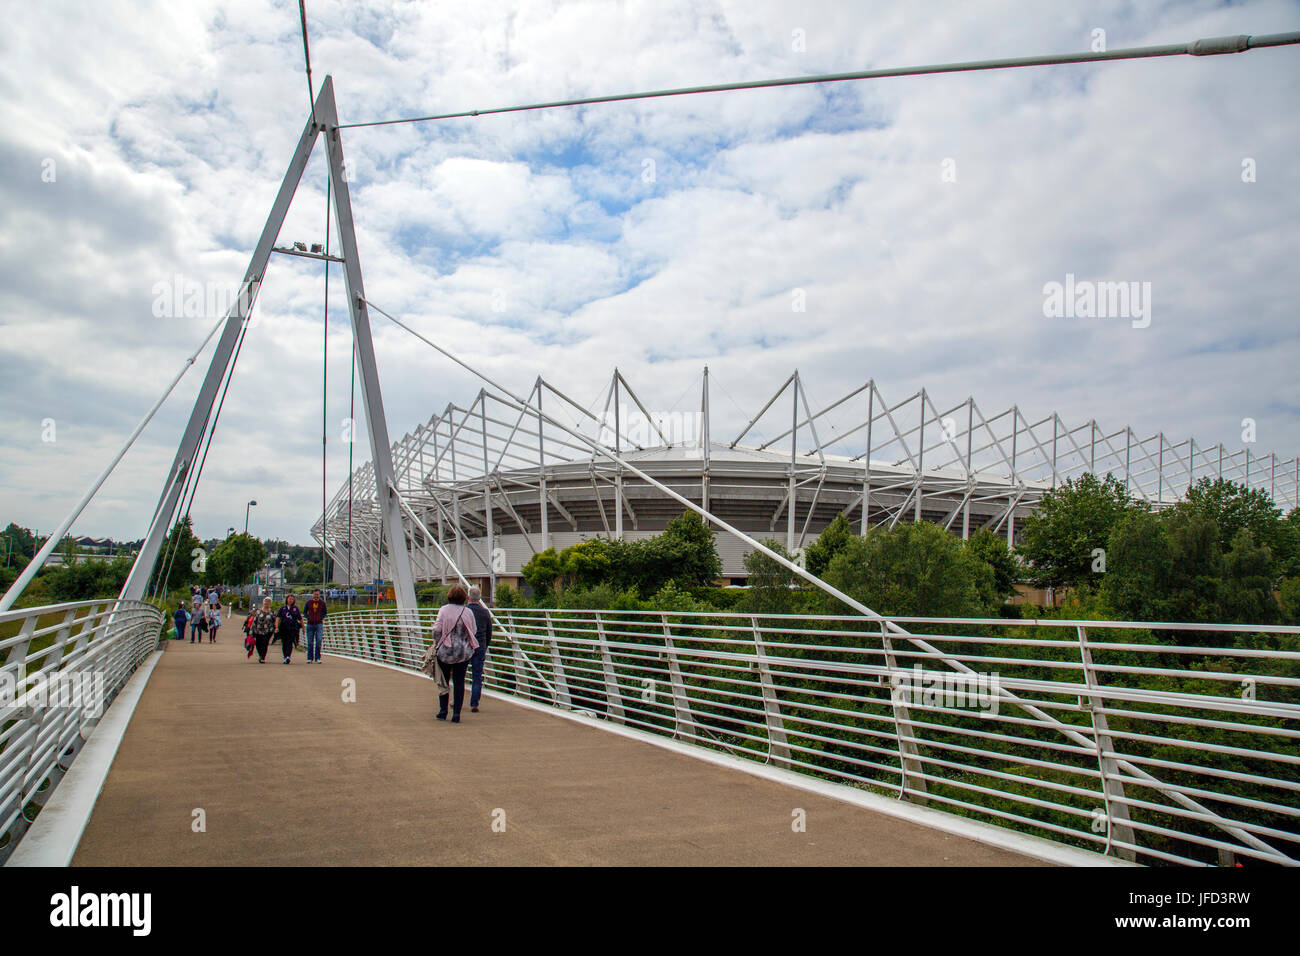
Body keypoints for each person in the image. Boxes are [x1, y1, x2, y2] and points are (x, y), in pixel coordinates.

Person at [429, 585, 478, 723]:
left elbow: (437, 630)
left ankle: (443, 710)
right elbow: (473, 631)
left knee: (443, 681)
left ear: (449, 596)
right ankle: (456, 713)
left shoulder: (443, 610)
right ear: (464, 598)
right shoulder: (468, 612)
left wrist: (438, 643)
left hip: (445, 651)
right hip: (463, 652)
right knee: (459, 682)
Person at [466, 586, 493, 713]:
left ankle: (456, 700)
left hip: (465, 647)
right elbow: (489, 632)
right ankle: (474, 703)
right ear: (480, 598)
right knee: (477, 675)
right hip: (480, 646)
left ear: (468, 597)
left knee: (459, 674)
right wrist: (484, 646)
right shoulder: (485, 612)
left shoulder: (464, 611)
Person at [275, 593, 303, 664]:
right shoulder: (282, 608)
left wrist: (303, 627)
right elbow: (278, 618)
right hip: (283, 627)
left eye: (292, 599)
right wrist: (276, 627)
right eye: (289, 599)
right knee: (284, 643)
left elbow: (300, 618)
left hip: (292, 628)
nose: (290, 600)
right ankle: (285, 656)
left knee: (290, 642)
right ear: (287, 600)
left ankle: (288, 656)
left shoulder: (295, 609)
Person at [303, 589, 327, 663]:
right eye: (315, 594)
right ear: (313, 594)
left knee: (319, 641)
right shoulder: (309, 603)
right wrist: (308, 617)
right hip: (310, 624)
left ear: (319, 595)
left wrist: (321, 617)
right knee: (310, 642)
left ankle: (317, 658)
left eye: (317, 594)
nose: (316, 596)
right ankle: (310, 658)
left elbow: (325, 612)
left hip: (319, 623)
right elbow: (304, 612)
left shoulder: (322, 603)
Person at [250, 597, 276, 663]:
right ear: (263, 602)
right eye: (265, 601)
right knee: (258, 644)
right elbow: (254, 621)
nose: (266, 603)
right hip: (258, 630)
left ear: (270, 603)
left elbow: (275, 621)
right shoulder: (258, 611)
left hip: (268, 631)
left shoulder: (272, 612)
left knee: (265, 643)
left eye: (268, 602)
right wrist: (252, 631)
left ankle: (262, 657)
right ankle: (261, 655)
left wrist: (275, 628)